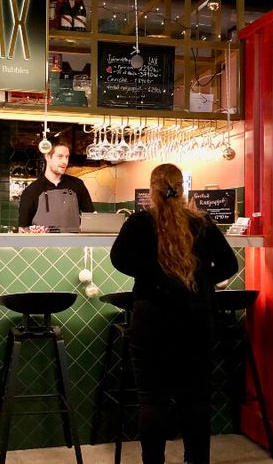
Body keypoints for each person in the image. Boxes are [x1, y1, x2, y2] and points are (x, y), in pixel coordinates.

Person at [110, 163, 239, 464]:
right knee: (195, 401)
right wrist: (199, 280)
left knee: (152, 400)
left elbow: (118, 259)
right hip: (195, 320)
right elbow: (229, 266)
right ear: (183, 189)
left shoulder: (139, 222)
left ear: (152, 191)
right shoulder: (202, 222)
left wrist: (153, 277)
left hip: (151, 319)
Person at [18, 143, 94, 232]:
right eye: (60, 156)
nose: (65, 161)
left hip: (74, 244)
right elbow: (23, 229)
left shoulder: (77, 185)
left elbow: (91, 218)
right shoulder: (32, 190)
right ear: (48, 157)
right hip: (42, 245)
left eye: (67, 157)